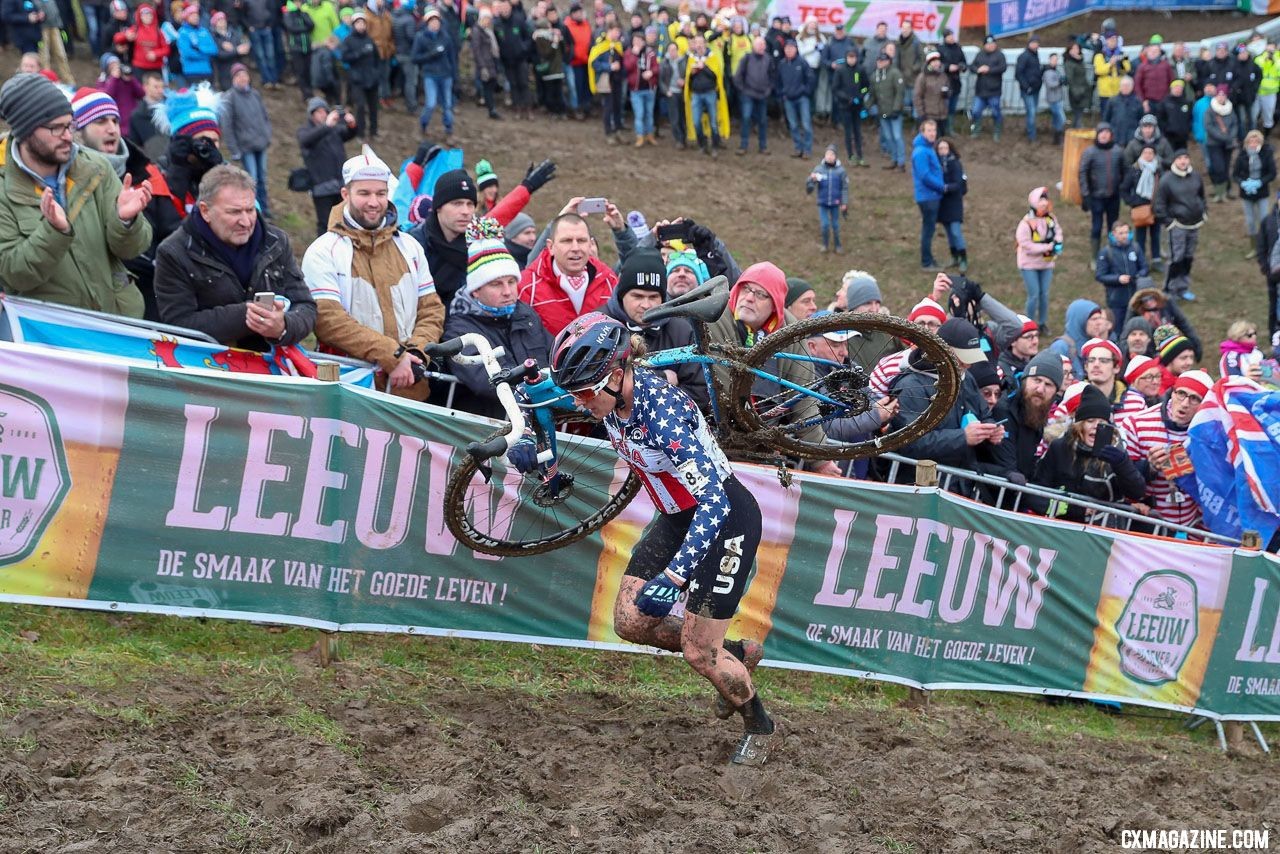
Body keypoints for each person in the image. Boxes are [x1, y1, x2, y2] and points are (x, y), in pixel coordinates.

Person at [516, 313, 778, 767]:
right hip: (678, 516)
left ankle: (759, 725)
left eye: (585, 392)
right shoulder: (609, 393)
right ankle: (736, 654)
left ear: (616, 375)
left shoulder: (663, 414)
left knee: (699, 652)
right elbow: (543, 399)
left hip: (726, 517)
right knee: (629, 622)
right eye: (576, 392)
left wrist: (676, 578)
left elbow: (713, 502)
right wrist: (538, 452)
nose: (579, 402)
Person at [0, 73, 153, 317]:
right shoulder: (3, 187)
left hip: (118, 318)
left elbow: (133, 249)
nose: (68, 136)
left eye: (70, 125)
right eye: (56, 128)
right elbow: (14, 273)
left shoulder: (95, 166)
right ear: (25, 130)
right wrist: (54, 233)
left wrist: (125, 221)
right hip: (52, 334)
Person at [302, 146, 443, 400]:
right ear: (345, 193)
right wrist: (391, 354)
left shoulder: (409, 246)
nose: (374, 202)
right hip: (346, 389)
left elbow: (431, 310)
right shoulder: (323, 250)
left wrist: (417, 353)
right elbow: (328, 321)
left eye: (381, 193)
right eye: (363, 193)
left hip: (408, 388)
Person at [155, 165, 315, 348]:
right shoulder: (173, 253)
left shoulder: (276, 242)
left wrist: (283, 327)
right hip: (207, 367)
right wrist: (247, 315)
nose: (246, 222)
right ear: (205, 211)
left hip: (272, 365)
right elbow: (178, 325)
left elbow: (306, 307)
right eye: (234, 212)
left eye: (250, 210)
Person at [704, 262, 841, 476]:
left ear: (775, 305)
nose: (749, 298)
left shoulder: (791, 330)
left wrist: (821, 459)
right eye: (746, 289)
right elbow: (721, 387)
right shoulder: (716, 317)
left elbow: (803, 396)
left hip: (763, 438)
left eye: (760, 294)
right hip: (713, 433)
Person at [71, 87, 183, 323]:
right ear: (78, 131)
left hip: (150, 295)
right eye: (100, 121)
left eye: (114, 120)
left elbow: (174, 233)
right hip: (87, 304)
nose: (112, 128)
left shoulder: (146, 172)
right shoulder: (66, 177)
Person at [441, 218, 553, 416]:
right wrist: (541, 391)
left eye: (511, 282)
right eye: (496, 284)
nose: (508, 291)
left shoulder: (527, 315)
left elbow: (554, 357)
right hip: (486, 427)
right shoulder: (459, 329)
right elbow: (485, 381)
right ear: (475, 290)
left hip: (536, 420)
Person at [890, 317, 1006, 486]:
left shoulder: (966, 379)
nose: (967, 364)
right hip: (918, 488)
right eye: (961, 358)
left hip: (958, 485)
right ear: (941, 350)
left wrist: (990, 431)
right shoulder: (911, 386)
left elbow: (983, 413)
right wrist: (962, 437)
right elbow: (910, 442)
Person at [600, 250, 708, 407]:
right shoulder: (599, 326)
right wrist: (662, 378)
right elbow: (592, 385)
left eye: (653, 297)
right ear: (622, 295)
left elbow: (698, 391)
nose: (646, 305)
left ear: (663, 298)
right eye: (637, 296)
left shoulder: (681, 331)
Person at [1030, 383, 1146, 521]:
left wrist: (1122, 464)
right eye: (1090, 421)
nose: (1096, 426)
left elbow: (1136, 492)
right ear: (1080, 424)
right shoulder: (1060, 447)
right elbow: (1037, 491)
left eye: (1102, 422)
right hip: (1064, 528)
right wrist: (1076, 510)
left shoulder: (1116, 450)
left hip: (1104, 531)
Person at [1118, 369, 1212, 531]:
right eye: (1181, 393)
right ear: (1172, 392)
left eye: (1195, 399)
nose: (1184, 404)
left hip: (1193, 529)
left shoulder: (1210, 433)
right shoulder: (1136, 424)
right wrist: (1149, 468)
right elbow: (1121, 480)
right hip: (1146, 528)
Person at [519, 205, 622, 336]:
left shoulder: (609, 280)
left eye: (581, 240)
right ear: (550, 246)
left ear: (590, 244)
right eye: (567, 241)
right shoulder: (526, 286)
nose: (575, 247)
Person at [296, 97, 357, 237]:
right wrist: (327, 126)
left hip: (340, 185)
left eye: (324, 111)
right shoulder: (304, 130)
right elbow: (306, 141)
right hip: (321, 187)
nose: (323, 114)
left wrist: (352, 124)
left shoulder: (334, 129)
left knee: (344, 221)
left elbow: (348, 134)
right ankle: (322, 253)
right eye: (319, 112)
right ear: (312, 114)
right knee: (325, 224)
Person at [219, 63, 273, 220]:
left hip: (261, 144)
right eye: (238, 76)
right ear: (233, 79)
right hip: (245, 147)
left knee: (263, 178)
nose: (242, 78)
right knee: (252, 180)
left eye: (244, 75)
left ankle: (265, 208)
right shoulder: (229, 97)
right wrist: (234, 149)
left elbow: (265, 116)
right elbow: (227, 125)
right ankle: (255, 210)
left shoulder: (255, 94)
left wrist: (267, 135)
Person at [1153, 150, 1206, 301]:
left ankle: (1183, 287)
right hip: (1177, 225)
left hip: (1194, 224)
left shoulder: (1196, 176)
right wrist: (1169, 223)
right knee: (1176, 258)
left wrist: (1203, 212)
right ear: (1175, 161)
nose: (1183, 161)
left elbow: (1201, 196)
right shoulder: (1167, 180)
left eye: (1186, 158)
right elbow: (1159, 204)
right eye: (1180, 158)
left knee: (1188, 257)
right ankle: (1169, 289)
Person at [1016, 187, 1063, 332]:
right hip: (1028, 264)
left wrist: (1058, 243)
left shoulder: (1051, 219)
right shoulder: (1026, 223)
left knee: (1044, 295)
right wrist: (1047, 247)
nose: (1044, 203)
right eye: (1040, 200)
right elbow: (1025, 244)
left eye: (1045, 199)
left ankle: (1042, 323)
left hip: (1046, 263)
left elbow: (1058, 232)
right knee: (1034, 295)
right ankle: (1029, 325)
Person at [1079, 122, 1125, 264]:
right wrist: (1085, 195)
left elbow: (1124, 171)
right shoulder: (1090, 152)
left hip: (1113, 196)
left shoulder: (1118, 151)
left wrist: (1122, 188)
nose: (1104, 135)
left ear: (1111, 135)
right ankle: (1095, 257)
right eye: (1101, 132)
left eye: (1107, 132)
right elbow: (1082, 173)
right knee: (1097, 227)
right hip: (1096, 196)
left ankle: (1113, 253)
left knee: (1113, 226)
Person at [1094, 221, 1148, 331]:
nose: (1124, 236)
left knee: (1137, 327)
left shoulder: (1135, 247)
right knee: (1118, 328)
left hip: (1136, 296)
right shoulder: (1106, 252)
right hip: (1117, 299)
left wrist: (1137, 276)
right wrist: (1117, 279)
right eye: (1121, 233)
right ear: (1113, 234)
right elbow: (1100, 275)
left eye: (1126, 232)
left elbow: (1144, 267)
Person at [413, 8, 455, 140]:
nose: (435, 24)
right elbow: (415, 58)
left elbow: (452, 57)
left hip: (445, 75)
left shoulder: (446, 37)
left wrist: (454, 74)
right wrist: (431, 54)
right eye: (432, 21)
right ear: (427, 22)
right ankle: (423, 125)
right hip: (430, 75)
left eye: (437, 21)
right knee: (430, 104)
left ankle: (449, 130)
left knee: (447, 106)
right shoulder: (421, 38)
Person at [1128, 286, 1201, 361]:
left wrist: (1196, 345)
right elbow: (1126, 334)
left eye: (1151, 298)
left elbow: (1184, 324)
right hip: (1148, 352)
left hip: (1170, 346)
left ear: (1156, 296)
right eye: (1144, 300)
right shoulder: (1135, 311)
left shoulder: (1167, 304)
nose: (1149, 302)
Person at [1120, 143, 1162, 268]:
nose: (1148, 155)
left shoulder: (1158, 171)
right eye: (1145, 152)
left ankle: (1156, 260)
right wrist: (1132, 202)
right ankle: (1141, 260)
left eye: (1151, 153)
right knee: (1140, 237)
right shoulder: (1134, 171)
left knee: (1156, 235)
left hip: (1156, 208)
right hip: (1140, 208)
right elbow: (1123, 188)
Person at [1233, 129, 1275, 254]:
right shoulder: (1241, 156)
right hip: (1247, 193)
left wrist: (1260, 182)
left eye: (1256, 141)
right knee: (1250, 221)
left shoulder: (1266, 154)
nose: (1253, 144)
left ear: (1260, 142)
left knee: (1263, 220)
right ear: (1247, 142)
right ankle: (1253, 247)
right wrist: (1243, 183)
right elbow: (1235, 175)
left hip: (1262, 192)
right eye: (1251, 141)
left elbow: (1272, 173)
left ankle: (1265, 246)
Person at [1081, 337, 1145, 417]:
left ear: (1116, 368)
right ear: (1086, 367)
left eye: (1103, 361)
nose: (1096, 365)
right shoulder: (1073, 399)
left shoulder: (1136, 403)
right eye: (1091, 360)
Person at [343, 11, 383, 138]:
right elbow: (345, 57)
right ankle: (360, 133)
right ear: (354, 25)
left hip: (372, 78)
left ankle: (374, 131)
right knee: (360, 107)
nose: (361, 25)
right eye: (358, 23)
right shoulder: (348, 40)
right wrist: (360, 53)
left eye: (363, 23)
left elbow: (377, 58)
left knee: (373, 107)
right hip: (357, 79)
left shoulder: (369, 39)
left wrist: (376, 73)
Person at [911, 119, 944, 271]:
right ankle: (926, 262)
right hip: (928, 196)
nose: (933, 133)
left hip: (931, 195)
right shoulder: (921, 151)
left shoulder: (927, 148)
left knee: (929, 229)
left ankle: (929, 258)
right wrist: (941, 187)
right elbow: (925, 176)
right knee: (928, 230)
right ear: (922, 132)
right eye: (929, 131)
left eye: (934, 130)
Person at [733, 35, 773, 156]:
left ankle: (763, 146)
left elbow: (772, 76)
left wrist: (768, 90)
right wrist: (743, 90)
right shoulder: (747, 58)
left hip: (762, 95)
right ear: (753, 46)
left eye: (763, 44)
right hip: (748, 94)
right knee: (746, 118)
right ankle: (743, 146)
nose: (762, 47)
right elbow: (737, 76)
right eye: (759, 44)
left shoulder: (768, 59)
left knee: (762, 121)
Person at [493, 0, 533, 121]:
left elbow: (528, 37)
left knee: (524, 84)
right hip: (507, 61)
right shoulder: (497, 24)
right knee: (513, 85)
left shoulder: (519, 19)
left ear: (510, 8)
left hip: (521, 59)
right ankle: (518, 108)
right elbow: (496, 42)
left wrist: (523, 49)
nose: (504, 10)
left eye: (506, 7)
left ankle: (528, 109)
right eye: (502, 8)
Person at [806, 144, 847, 255]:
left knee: (835, 225)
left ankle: (838, 245)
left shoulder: (841, 171)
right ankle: (825, 245)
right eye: (827, 154)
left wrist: (844, 202)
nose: (829, 156)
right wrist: (812, 179)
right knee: (825, 225)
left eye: (832, 154)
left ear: (836, 157)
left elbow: (844, 188)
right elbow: (809, 186)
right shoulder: (819, 169)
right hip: (822, 203)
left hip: (835, 203)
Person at [830, 45, 868, 166]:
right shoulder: (840, 70)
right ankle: (850, 155)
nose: (851, 60)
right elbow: (835, 88)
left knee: (858, 131)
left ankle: (860, 155)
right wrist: (847, 98)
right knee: (848, 132)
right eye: (849, 57)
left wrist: (860, 97)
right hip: (845, 106)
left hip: (857, 107)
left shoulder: (860, 70)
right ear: (846, 58)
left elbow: (866, 86)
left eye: (854, 57)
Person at [777, 39, 814, 159]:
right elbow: (778, 81)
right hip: (788, 98)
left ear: (796, 49)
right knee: (793, 125)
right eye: (787, 48)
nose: (789, 50)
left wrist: (805, 91)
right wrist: (782, 92)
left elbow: (811, 79)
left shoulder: (802, 63)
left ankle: (807, 149)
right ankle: (798, 148)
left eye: (791, 48)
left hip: (802, 98)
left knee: (806, 124)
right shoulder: (782, 64)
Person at [868, 50, 905, 169]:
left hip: (894, 112)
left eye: (883, 60)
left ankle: (901, 162)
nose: (880, 63)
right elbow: (872, 94)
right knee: (888, 137)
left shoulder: (895, 74)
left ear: (888, 61)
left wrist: (896, 109)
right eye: (879, 60)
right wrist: (867, 106)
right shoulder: (875, 76)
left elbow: (900, 93)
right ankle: (894, 159)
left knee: (897, 136)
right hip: (882, 112)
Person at [623, 29, 658, 147]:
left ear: (644, 42)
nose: (637, 43)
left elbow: (657, 68)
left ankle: (650, 135)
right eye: (635, 41)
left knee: (649, 113)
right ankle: (640, 136)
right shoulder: (629, 53)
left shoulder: (650, 53)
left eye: (639, 41)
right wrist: (634, 54)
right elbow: (627, 67)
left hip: (649, 88)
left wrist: (651, 72)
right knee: (639, 114)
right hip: (636, 90)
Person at [936, 136, 967, 272]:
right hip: (943, 203)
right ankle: (954, 257)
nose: (943, 151)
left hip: (954, 202)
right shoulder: (937, 163)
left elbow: (959, 184)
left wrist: (946, 188)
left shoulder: (955, 163)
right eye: (940, 148)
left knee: (955, 232)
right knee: (949, 232)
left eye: (945, 148)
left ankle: (963, 258)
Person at [1204, 87, 1238, 204]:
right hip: (1214, 144)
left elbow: (1235, 124)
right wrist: (1224, 137)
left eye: (1224, 95)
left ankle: (1226, 191)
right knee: (1218, 167)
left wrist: (1231, 136)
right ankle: (1219, 192)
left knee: (1226, 167)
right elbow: (1209, 127)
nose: (1221, 97)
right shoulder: (1210, 110)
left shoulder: (1230, 109)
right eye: (1219, 95)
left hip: (1227, 144)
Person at [968, 35, 1005, 140]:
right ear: (984, 45)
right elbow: (972, 67)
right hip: (980, 91)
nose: (991, 46)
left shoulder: (1000, 55)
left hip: (994, 91)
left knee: (995, 111)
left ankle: (997, 131)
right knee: (975, 111)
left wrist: (989, 70)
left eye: (992, 43)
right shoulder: (979, 55)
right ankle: (976, 129)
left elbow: (1003, 67)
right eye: (988, 44)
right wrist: (978, 69)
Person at [176, 4, 218, 86]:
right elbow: (187, 53)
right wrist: (205, 55)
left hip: (207, 70)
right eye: (192, 15)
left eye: (196, 15)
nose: (196, 17)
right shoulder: (183, 32)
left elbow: (214, 49)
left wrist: (199, 48)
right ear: (187, 17)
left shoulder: (204, 31)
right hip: (192, 72)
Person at [1257, 193, 1280, 342]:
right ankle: (1274, 336)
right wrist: (1264, 266)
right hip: (1273, 273)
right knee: (1273, 305)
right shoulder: (1268, 221)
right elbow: (1261, 245)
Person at [1093, 30, 1130, 115]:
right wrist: (1110, 64)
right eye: (1110, 40)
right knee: (1106, 114)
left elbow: (1128, 69)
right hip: (1105, 92)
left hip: (1119, 91)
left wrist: (1120, 62)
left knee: (1119, 114)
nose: (1113, 42)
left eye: (1115, 40)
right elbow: (1098, 70)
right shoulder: (1099, 55)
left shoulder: (1123, 54)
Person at [914, 50, 950, 136]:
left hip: (942, 115)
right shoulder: (922, 77)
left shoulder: (943, 75)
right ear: (929, 63)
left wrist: (947, 93)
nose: (936, 63)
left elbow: (948, 89)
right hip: (929, 115)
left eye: (938, 60)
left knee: (941, 139)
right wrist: (921, 114)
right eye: (933, 61)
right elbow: (918, 96)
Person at [1015, 34, 1043, 142]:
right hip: (1028, 90)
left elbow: (1034, 72)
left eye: (1037, 43)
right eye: (1033, 43)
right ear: (1029, 44)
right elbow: (1018, 73)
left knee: (1032, 111)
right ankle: (1032, 136)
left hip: (1035, 88)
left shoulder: (1035, 55)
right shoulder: (1024, 56)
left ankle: (1030, 131)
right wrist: (1026, 87)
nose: (1035, 45)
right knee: (1031, 112)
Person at [998, 314, 1040, 383]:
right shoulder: (1001, 371)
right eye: (1029, 337)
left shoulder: (1041, 364)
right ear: (1012, 341)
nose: (1035, 341)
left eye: (1036, 335)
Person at [1103, 76, 1143, 146]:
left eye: (1127, 85)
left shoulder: (1137, 101)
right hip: (1115, 136)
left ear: (1132, 87)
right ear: (1120, 87)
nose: (1125, 87)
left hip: (1131, 137)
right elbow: (1106, 119)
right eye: (1123, 85)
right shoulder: (1112, 101)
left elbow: (1141, 119)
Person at [1158, 78, 1193, 152]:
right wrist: (1166, 129)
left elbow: (1190, 118)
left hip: (1183, 136)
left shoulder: (1187, 103)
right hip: (1169, 136)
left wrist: (1188, 129)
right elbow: (1160, 118)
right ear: (1171, 88)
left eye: (1180, 87)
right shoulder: (1165, 102)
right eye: (1176, 87)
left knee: (1182, 155)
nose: (1178, 89)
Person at [1063, 42, 1091, 129]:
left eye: (1077, 48)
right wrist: (1076, 92)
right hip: (1075, 92)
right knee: (1077, 114)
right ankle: (1077, 131)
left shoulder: (1080, 60)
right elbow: (1070, 79)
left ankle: (1076, 129)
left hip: (1084, 90)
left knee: (1080, 114)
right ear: (1069, 51)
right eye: (1073, 49)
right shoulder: (1069, 63)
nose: (1076, 51)